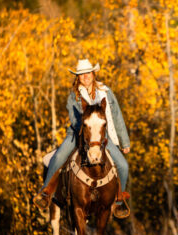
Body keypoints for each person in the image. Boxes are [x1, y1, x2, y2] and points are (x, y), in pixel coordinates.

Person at [33, 59, 131, 216]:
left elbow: (117, 116)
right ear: (77, 77)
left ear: (93, 74)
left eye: (88, 73)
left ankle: (119, 202)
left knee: (123, 166)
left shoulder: (106, 92)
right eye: (81, 74)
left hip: (103, 137)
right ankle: (46, 193)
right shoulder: (74, 95)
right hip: (78, 134)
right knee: (58, 157)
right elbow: (74, 119)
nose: (85, 76)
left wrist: (124, 141)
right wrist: (88, 133)